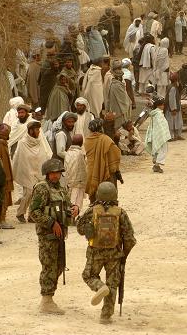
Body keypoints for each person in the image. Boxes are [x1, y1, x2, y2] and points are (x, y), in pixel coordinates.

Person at [77, 181, 136, 324]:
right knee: (113, 284)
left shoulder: (92, 210)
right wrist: (124, 255)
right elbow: (130, 238)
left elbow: (79, 229)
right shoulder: (120, 212)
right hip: (115, 254)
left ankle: (99, 286)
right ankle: (106, 316)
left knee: (89, 275)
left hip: (95, 253)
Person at [29, 158, 79, 315]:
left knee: (58, 266)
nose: (56, 175)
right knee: (49, 266)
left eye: (58, 172)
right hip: (47, 236)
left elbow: (67, 205)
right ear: (47, 174)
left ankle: (49, 298)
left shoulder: (61, 189)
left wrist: (74, 208)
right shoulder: (42, 189)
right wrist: (51, 223)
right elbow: (34, 212)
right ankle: (46, 301)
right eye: (53, 173)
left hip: (59, 236)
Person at [13, 121, 52, 223]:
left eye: (39, 129)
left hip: (38, 171)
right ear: (31, 131)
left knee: (37, 194)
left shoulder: (39, 141)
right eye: (37, 130)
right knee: (28, 193)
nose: (39, 132)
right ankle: (20, 213)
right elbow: (19, 159)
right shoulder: (22, 143)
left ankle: (32, 215)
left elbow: (44, 155)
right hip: (27, 171)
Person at [84, 119, 121, 201]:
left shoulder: (87, 140)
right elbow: (116, 153)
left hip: (91, 171)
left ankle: (94, 207)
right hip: (106, 171)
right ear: (101, 128)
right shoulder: (106, 139)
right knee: (109, 191)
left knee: (93, 191)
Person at [0, 123, 15, 229]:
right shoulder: (0, 144)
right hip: (4, 177)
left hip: (6, 176)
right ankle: (1, 220)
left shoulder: (2, 143)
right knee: (3, 198)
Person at [145, 97, 171, 173]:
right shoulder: (158, 114)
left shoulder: (155, 113)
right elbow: (161, 126)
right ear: (159, 105)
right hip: (161, 135)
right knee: (162, 150)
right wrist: (164, 135)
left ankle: (156, 162)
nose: (164, 106)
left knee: (158, 150)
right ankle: (156, 165)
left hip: (156, 135)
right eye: (163, 105)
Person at [105, 60, 131, 130]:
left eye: (120, 68)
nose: (119, 71)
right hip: (117, 110)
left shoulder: (119, 81)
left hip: (120, 110)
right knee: (118, 126)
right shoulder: (113, 83)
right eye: (118, 68)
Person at [64, 135, 87, 209]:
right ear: (81, 143)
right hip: (78, 183)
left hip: (68, 182)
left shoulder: (67, 152)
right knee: (77, 204)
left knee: (70, 202)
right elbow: (84, 168)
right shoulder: (81, 154)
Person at [165, 73, 184, 141]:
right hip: (172, 109)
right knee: (171, 123)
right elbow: (172, 99)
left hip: (175, 108)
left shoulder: (172, 86)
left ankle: (177, 135)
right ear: (176, 80)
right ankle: (171, 136)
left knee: (177, 122)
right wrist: (173, 109)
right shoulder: (173, 88)